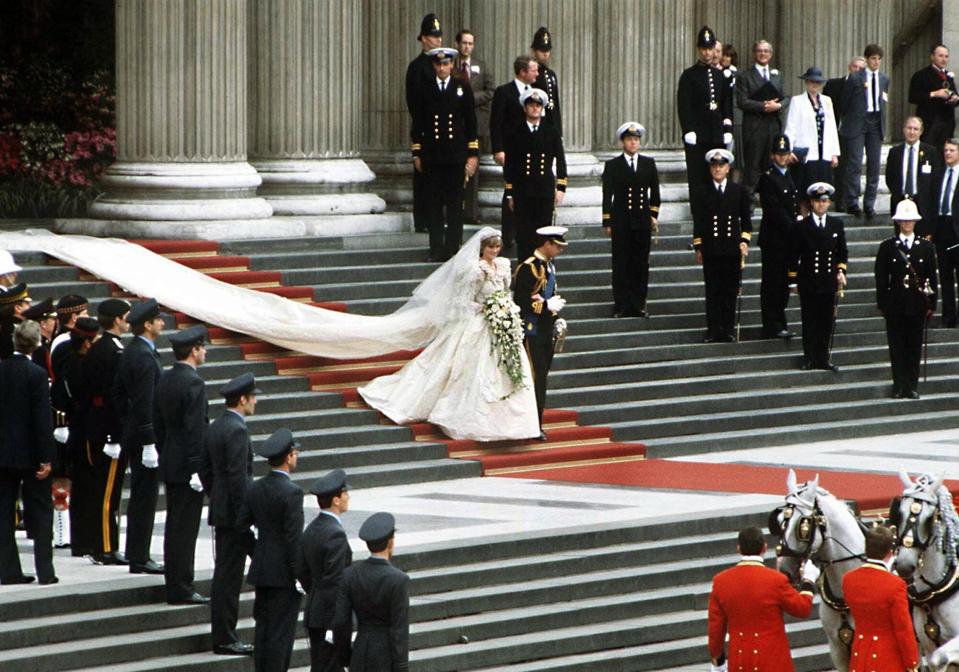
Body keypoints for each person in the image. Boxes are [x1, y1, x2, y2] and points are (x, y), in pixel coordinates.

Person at [359, 228, 539, 441]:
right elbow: (462, 301)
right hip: (479, 322)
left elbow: (505, 291)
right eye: (491, 247)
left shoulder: (502, 266)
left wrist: (505, 308)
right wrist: (487, 308)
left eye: (497, 247)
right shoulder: (475, 270)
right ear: (482, 248)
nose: (495, 251)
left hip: (500, 321)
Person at [202, 372, 260, 657]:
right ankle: (225, 637)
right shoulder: (237, 430)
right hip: (234, 515)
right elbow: (239, 479)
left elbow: (206, 470)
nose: (255, 401)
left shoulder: (216, 425)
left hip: (222, 510)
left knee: (224, 574)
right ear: (242, 399)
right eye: (253, 397)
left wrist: (216, 497)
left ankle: (224, 635)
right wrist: (244, 515)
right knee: (229, 578)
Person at [707, 526, 816, 672]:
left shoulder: (721, 581)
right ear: (764, 548)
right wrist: (808, 581)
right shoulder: (776, 580)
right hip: (773, 660)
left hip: (739, 659)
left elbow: (715, 630)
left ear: (738, 549)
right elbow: (802, 609)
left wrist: (718, 660)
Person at [238, 427, 303, 672]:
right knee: (280, 636)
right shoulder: (292, 493)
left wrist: (258, 551)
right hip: (284, 575)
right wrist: (299, 575)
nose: (296, 457)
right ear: (288, 457)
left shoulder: (255, 487)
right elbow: (293, 539)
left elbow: (241, 526)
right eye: (295, 453)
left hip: (262, 570)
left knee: (263, 630)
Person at [0, 320, 56, 585]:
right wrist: (46, 457)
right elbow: (41, 419)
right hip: (32, 455)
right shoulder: (36, 374)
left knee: (3, 512)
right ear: (36, 344)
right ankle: (45, 571)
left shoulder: (1, 370)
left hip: (3, 454)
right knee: (41, 512)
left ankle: (8, 570)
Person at [156, 325, 209, 605]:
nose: (205, 352)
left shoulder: (165, 378)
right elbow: (195, 430)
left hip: (171, 459)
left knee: (175, 526)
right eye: (202, 347)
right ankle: (182, 586)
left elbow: (159, 423)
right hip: (188, 465)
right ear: (193, 351)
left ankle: (174, 583)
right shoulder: (194, 383)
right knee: (185, 529)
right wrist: (196, 468)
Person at [411, 46, 479, 262]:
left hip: (455, 156)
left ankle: (453, 247)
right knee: (433, 205)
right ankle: (436, 248)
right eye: (438, 64)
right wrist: (417, 153)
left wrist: (472, 154)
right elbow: (418, 123)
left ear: (452, 65)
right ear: (434, 66)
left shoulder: (462, 88)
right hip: (433, 157)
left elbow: (471, 122)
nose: (442, 67)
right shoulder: (425, 88)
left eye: (446, 64)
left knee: (455, 205)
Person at [114, 298, 166, 575]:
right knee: (144, 498)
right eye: (158, 319)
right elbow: (145, 401)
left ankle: (138, 554)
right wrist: (148, 440)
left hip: (135, 432)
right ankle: (139, 556)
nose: (162, 323)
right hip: (144, 436)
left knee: (142, 497)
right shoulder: (143, 356)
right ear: (147, 324)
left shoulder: (135, 351)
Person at [82, 298, 130, 565]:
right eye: (125, 316)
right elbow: (107, 396)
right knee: (107, 493)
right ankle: (105, 547)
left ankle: (104, 544)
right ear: (117, 320)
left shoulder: (107, 347)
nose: (127, 321)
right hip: (106, 430)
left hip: (103, 427)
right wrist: (113, 436)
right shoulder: (109, 351)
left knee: (107, 491)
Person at [875, 199, 938, 400]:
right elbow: (881, 278)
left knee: (913, 346)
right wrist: (883, 303)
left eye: (911, 220)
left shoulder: (926, 247)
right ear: (898, 222)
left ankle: (911, 385)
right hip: (896, 303)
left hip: (917, 303)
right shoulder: (888, 246)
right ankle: (898, 385)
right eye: (904, 220)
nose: (907, 223)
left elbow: (931, 277)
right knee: (897, 346)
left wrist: (932, 303)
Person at [333, 512, 409, 672]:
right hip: (387, 657)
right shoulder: (398, 579)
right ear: (390, 542)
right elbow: (399, 630)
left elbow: (341, 622)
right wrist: (402, 667)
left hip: (361, 651)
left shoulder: (350, 575)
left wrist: (345, 657)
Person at [601, 122, 661, 318]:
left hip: (642, 221)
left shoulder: (648, 163)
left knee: (640, 264)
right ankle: (621, 305)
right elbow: (607, 195)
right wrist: (607, 221)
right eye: (629, 139)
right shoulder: (612, 165)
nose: (633, 143)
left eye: (636, 140)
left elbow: (655, 193)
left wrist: (653, 215)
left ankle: (638, 304)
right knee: (621, 264)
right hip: (621, 221)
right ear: (622, 142)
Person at [692, 149, 752, 343]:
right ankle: (713, 329)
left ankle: (727, 328)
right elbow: (699, 221)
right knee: (713, 290)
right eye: (714, 166)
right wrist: (698, 246)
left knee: (729, 290)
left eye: (721, 166)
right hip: (711, 248)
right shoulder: (702, 191)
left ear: (728, 168)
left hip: (731, 249)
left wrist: (744, 241)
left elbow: (746, 221)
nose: (717, 169)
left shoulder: (738, 191)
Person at [841, 526, 920, 672]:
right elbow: (903, 629)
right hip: (888, 659)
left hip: (859, 655)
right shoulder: (895, 584)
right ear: (891, 553)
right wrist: (912, 662)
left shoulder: (848, 579)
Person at [52, 316, 100, 556]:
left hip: (75, 427)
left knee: (81, 485)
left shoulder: (70, 359)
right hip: (83, 428)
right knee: (87, 486)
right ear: (87, 342)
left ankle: (81, 540)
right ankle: (86, 540)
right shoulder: (81, 364)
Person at [514, 226, 568, 437]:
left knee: (542, 378)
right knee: (535, 378)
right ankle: (532, 425)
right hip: (531, 330)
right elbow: (521, 302)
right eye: (557, 246)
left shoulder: (549, 267)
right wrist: (545, 307)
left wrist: (556, 318)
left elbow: (551, 296)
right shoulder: (528, 268)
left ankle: (536, 422)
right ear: (547, 244)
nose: (560, 250)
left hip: (545, 330)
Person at [789, 183, 848, 371]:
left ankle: (823, 358)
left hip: (828, 280)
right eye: (817, 201)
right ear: (811, 203)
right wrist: (793, 280)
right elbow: (793, 255)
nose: (821, 205)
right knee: (809, 321)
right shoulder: (801, 226)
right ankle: (809, 357)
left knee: (825, 321)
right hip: (808, 280)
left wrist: (841, 271)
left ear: (829, 202)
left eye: (824, 201)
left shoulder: (836, 224)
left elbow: (842, 252)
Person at [504, 87, 568, 261]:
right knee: (524, 234)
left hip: (544, 190)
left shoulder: (551, 131)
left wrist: (561, 187)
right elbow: (509, 165)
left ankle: (544, 275)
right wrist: (510, 192)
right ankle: (525, 273)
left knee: (545, 235)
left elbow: (561, 161)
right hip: (522, 190)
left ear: (542, 108)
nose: (534, 108)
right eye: (531, 105)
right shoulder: (515, 132)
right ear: (525, 108)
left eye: (538, 105)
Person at [678, 26, 733, 220]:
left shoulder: (720, 76)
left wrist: (727, 127)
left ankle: (716, 213)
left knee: (716, 173)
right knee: (698, 176)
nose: (707, 52)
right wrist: (688, 129)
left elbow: (726, 103)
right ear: (698, 49)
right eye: (703, 48)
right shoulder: (689, 75)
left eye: (710, 48)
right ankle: (699, 217)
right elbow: (684, 105)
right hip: (697, 135)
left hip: (716, 133)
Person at [298, 469, 351, 672]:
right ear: (336, 500)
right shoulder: (335, 534)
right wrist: (334, 623)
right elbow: (335, 581)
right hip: (330, 616)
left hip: (315, 610)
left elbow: (302, 571)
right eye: (345, 493)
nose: (348, 497)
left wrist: (316, 592)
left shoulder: (312, 528)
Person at [490, 56, 540, 254]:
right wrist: (498, 149)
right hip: (511, 151)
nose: (537, 73)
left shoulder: (536, 93)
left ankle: (525, 233)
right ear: (522, 72)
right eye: (533, 70)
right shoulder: (504, 92)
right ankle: (508, 236)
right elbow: (496, 123)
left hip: (531, 152)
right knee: (511, 191)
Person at [758, 134, 802, 339]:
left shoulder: (788, 175)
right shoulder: (768, 177)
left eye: (785, 154)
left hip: (787, 238)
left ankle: (780, 320)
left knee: (784, 282)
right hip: (774, 239)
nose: (782, 158)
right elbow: (774, 210)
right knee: (772, 282)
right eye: (779, 154)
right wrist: (795, 227)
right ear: (772, 155)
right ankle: (772, 323)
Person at [839, 45, 889, 219]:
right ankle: (852, 201)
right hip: (859, 121)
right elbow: (844, 102)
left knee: (874, 164)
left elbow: (884, 100)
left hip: (876, 122)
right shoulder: (855, 78)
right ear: (867, 59)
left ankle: (869, 203)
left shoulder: (883, 79)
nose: (876, 62)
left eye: (878, 59)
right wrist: (849, 119)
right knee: (855, 162)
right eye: (873, 58)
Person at [406, 13, 443, 234]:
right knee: (423, 178)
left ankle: (437, 218)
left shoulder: (443, 64)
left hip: (443, 133)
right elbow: (414, 103)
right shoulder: (417, 67)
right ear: (422, 38)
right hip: (425, 130)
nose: (437, 40)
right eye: (432, 36)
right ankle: (422, 220)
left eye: (438, 36)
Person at [454, 29, 495, 224]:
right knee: (454, 168)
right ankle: (454, 210)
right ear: (457, 44)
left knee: (473, 169)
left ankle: (471, 212)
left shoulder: (482, 66)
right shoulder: (450, 65)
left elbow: (490, 91)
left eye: (470, 44)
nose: (467, 47)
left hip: (476, 125)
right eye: (464, 43)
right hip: (455, 126)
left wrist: (471, 99)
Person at [736, 40, 786, 197]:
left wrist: (779, 106)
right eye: (759, 51)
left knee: (771, 165)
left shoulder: (777, 75)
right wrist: (764, 106)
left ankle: (769, 201)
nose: (763, 54)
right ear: (754, 53)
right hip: (754, 127)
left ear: (770, 54)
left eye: (766, 51)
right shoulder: (745, 75)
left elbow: (785, 97)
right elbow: (742, 101)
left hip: (773, 126)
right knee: (752, 166)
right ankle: (748, 204)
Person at [784, 67, 840, 196]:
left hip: (824, 153)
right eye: (811, 81)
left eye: (817, 82)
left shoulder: (827, 101)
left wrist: (834, 153)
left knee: (822, 193)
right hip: (806, 154)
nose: (814, 84)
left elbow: (831, 127)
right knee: (804, 193)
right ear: (806, 82)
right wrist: (789, 150)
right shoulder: (797, 101)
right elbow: (791, 127)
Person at [825, 56, 866, 209]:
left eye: (862, 69)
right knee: (838, 166)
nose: (858, 71)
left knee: (851, 165)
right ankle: (835, 198)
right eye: (855, 67)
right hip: (835, 130)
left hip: (855, 132)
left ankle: (846, 200)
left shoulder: (866, 88)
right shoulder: (834, 85)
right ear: (849, 67)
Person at [885, 117, 939, 231]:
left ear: (921, 132)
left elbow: (935, 180)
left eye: (915, 129)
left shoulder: (931, 152)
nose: (912, 132)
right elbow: (890, 177)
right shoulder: (895, 152)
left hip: (922, 205)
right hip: (900, 203)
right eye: (909, 128)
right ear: (904, 130)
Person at [909, 44, 959, 150]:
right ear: (932, 57)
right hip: (929, 122)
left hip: (947, 123)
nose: (944, 59)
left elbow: (954, 94)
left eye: (946, 56)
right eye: (940, 56)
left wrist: (955, 99)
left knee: (944, 154)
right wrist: (934, 94)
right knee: (928, 153)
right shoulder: (921, 75)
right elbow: (913, 97)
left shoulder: (949, 77)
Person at [931, 138, 959, 328]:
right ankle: (948, 317)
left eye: (951, 150)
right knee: (945, 276)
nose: (947, 153)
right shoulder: (939, 173)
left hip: (957, 229)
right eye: (946, 150)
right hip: (942, 228)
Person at [530, 27, 561, 136]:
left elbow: (555, 104)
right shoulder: (530, 72)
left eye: (547, 50)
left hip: (550, 120)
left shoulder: (551, 74)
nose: (545, 54)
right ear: (534, 51)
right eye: (542, 50)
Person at [719, 43, 742, 180]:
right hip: (720, 118)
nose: (726, 58)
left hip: (736, 119)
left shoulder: (739, 75)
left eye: (729, 56)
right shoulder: (716, 73)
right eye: (724, 55)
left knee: (736, 156)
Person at [22, 298, 56, 378]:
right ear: (43, 323)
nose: (56, 322)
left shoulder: (45, 343)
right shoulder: (39, 349)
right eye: (53, 319)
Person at [0, 282, 30, 360]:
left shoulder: (6, 325)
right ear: (18, 308)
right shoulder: (13, 331)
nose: (30, 307)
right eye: (27, 303)